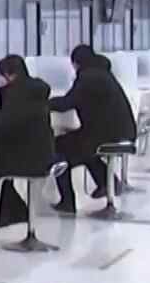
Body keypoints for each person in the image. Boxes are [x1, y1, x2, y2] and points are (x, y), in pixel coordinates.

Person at [49, 46, 136, 213]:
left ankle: (67, 202)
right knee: (82, 146)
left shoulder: (87, 77)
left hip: (106, 135)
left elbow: (68, 103)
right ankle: (107, 182)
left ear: (76, 63)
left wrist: (44, 103)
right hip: (122, 131)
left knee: (58, 148)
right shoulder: (103, 73)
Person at [0, 55, 54, 228]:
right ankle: (17, 211)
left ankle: (0, 215)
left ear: (9, 74)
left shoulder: (13, 92)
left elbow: (5, 123)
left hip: (23, 159)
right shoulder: (38, 90)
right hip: (44, 155)